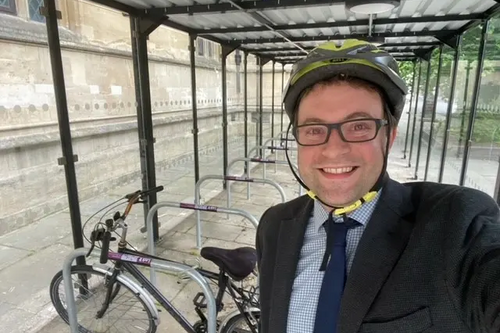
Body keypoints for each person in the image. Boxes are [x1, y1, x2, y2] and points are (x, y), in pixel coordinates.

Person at [255, 39, 500, 333]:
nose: (334, 150)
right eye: (314, 129)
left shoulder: (456, 222)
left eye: (359, 126)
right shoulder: (275, 225)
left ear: (390, 137)